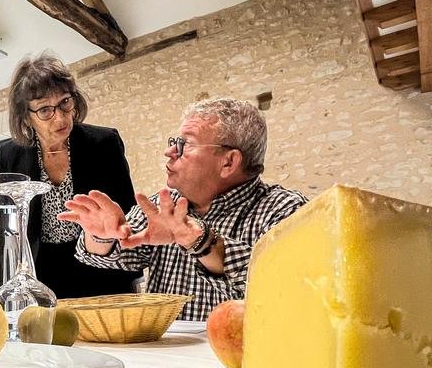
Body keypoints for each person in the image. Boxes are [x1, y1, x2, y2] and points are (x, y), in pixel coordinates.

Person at [59, 98, 306, 321]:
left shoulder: (284, 210)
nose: (169, 152)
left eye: (184, 144)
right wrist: (102, 234)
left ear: (228, 162)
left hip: (242, 365)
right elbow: (110, 256)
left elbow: (285, 287)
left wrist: (202, 243)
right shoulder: (163, 204)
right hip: (165, 361)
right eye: (173, 142)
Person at [0, 51, 140, 297]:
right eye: (45, 110)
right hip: (42, 271)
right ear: (26, 116)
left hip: (100, 267)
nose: (60, 117)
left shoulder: (103, 143)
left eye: (65, 102)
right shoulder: (11, 155)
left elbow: (127, 211)